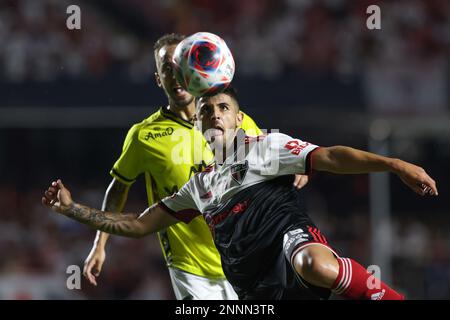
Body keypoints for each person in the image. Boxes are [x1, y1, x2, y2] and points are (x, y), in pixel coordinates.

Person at [43, 87, 438, 300]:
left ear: (237, 118)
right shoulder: (197, 188)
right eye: (206, 111)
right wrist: (73, 209)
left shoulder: (265, 147)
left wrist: (395, 165)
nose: (214, 113)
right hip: (254, 288)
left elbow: (332, 156)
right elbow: (136, 224)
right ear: (197, 126)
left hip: (292, 246)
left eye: (223, 108)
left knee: (315, 266)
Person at [82, 33, 308, 300]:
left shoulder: (233, 118)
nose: (173, 74)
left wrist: (294, 165)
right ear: (158, 79)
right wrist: (99, 244)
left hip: (244, 258)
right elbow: (119, 188)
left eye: (179, 67)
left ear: (194, 71)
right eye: (165, 68)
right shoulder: (144, 136)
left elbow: (268, 153)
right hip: (191, 268)